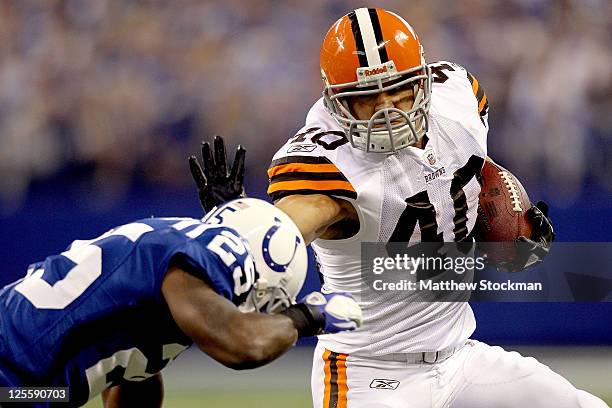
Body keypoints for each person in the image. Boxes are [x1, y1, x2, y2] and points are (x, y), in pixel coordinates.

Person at [189, 7, 608, 408]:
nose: (387, 108)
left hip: (460, 356)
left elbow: (470, 169)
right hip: (369, 375)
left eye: (398, 89)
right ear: (338, 103)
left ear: (423, 82)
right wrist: (248, 231)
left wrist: (510, 220)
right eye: (367, 97)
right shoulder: (329, 163)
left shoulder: (457, 99)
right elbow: (290, 228)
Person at [0, 198, 363, 408]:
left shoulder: (179, 254)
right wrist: (308, 316)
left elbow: (133, 373)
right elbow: (243, 344)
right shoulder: (211, 256)